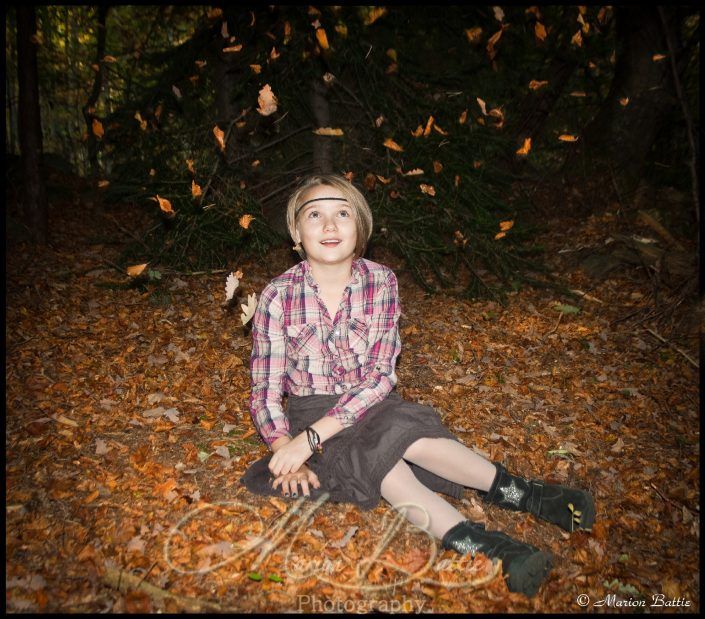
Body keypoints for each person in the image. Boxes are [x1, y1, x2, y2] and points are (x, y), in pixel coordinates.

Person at [240, 174, 595, 597]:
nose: (330, 226)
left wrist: (312, 439)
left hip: (370, 400)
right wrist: (287, 447)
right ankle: (488, 547)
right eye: (315, 215)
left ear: (361, 229)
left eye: (342, 213)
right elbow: (264, 388)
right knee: (382, 462)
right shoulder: (278, 296)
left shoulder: (381, 282)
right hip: (310, 409)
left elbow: (380, 377)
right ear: (297, 232)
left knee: (409, 435)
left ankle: (529, 495)